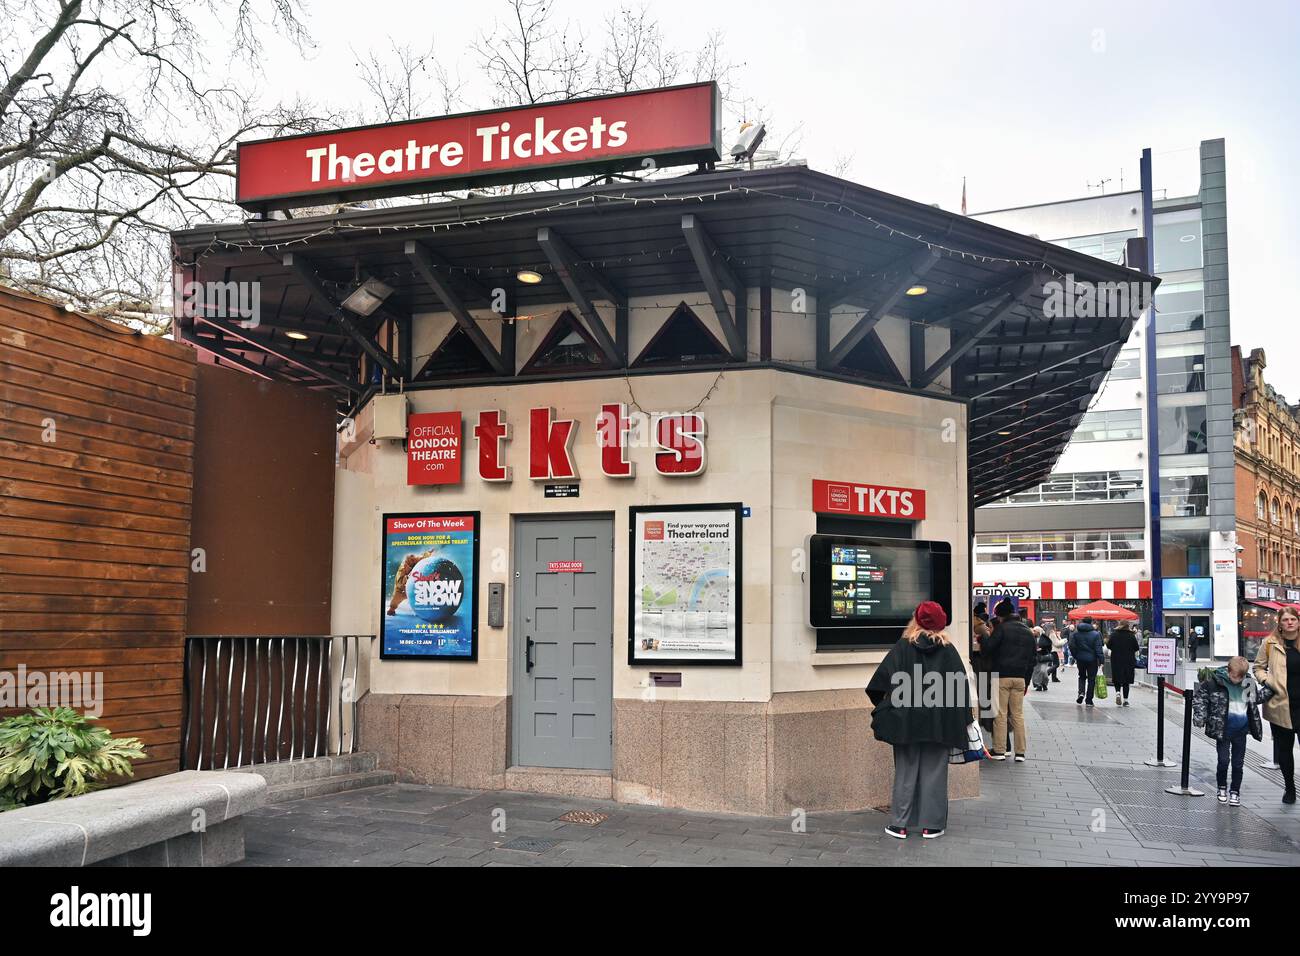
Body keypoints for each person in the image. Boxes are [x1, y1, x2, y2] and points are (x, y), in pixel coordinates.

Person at [866, 601, 975, 840]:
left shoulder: (902, 648)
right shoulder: (949, 651)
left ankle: (899, 825)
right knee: (935, 773)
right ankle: (931, 826)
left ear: (915, 620)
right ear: (941, 623)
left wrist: (886, 707)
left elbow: (877, 684)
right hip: (940, 725)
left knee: (905, 772)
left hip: (905, 723)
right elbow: (960, 691)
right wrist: (962, 720)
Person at [1194, 657, 1263, 807]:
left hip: (1241, 730)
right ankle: (1222, 787)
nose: (1236, 681)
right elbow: (1200, 698)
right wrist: (1200, 716)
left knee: (1238, 764)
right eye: (1233, 677)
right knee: (1223, 761)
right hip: (1223, 729)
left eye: (1240, 677)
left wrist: (1273, 688)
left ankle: (1235, 791)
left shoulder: (1247, 684)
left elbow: (1255, 700)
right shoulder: (1216, 682)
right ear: (1229, 671)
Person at [1251, 604, 1300, 804]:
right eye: (1285, 620)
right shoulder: (1270, 643)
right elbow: (1258, 667)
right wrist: (1266, 681)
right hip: (1281, 704)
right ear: (1279, 623)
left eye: (1293, 619)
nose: (1289, 623)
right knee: (1285, 749)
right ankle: (1289, 788)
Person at [985, 599, 1036, 761]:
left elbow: (988, 648)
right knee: (1018, 715)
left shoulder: (1002, 629)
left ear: (1000, 616)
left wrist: (983, 638)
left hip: (1002, 677)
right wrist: (1027, 681)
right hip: (1020, 678)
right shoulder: (1028, 631)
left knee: (1001, 714)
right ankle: (1020, 753)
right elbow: (1032, 660)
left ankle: (1000, 750)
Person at [1071, 616, 1105, 707]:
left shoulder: (1076, 634)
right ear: (1091, 623)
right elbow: (1098, 649)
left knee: (1081, 676)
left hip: (1080, 659)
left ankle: (1081, 693)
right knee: (1091, 679)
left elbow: (1072, 646)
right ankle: (1089, 700)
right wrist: (1101, 661)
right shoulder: (1095, 634)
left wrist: (1076, 656)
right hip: (1092, 660)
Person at [1108, 621, 1139, 706]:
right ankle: (1126, 700)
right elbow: (1136, 648)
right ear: (1127, 626)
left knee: (1117, 678)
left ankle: (1118, 693)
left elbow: (1108, 645)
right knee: (1126, 680)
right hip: (1128, 661)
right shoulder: (1131, 636)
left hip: (1116, 659)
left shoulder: (1114, 635)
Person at [1031, 626, 1054, 692]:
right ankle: (1038, 685)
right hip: (1035, 657)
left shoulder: (1045, 638)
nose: (1033, 632)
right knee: (1036, 671)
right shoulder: (1032, 638)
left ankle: (1044, 683)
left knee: (1043, 671)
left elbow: (1049, 647)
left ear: (1038, 631)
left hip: (1044, 657)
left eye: (1034, 631)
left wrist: (1042, 649)